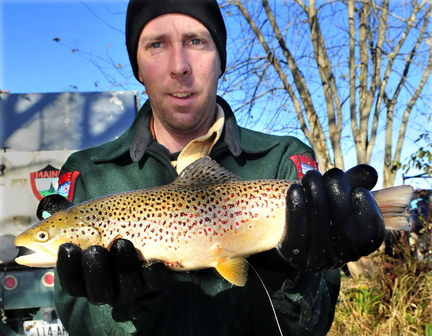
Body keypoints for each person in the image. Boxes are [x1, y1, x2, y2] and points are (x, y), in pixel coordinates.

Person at [52, 0, 385, 335]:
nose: (179, 66)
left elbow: (315, 325)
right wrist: (123, 309)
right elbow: (76, 321)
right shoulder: (87, 174)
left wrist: (291, 277)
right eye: (156, 44)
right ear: (137, 67)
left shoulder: (286, 158)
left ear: (220, 61)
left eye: (196, 41)